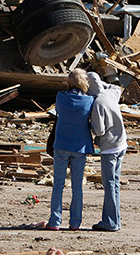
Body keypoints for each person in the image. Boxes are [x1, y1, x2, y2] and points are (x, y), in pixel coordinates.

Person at [46, 68, 95, 231]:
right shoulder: (89, 101)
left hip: (61, 145)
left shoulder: (60, 97)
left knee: (58, 185)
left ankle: (54, 221)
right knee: (77, 187)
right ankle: (75, 223)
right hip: (80, 146)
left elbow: (58, 113)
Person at [87, 71, 127, 232]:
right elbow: (115, 87)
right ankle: (113, 221)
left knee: (109, 185)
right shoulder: (110, 94)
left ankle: (110, 222)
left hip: (109, 148)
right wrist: (100, 86)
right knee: (114, 184)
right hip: (121, 143)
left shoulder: (97, 104)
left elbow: (99, 130)